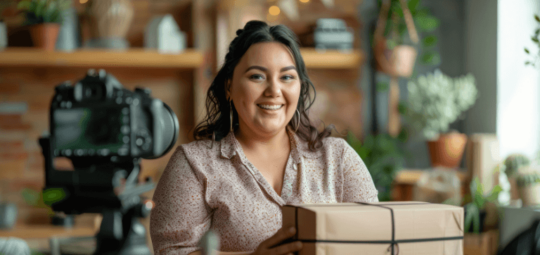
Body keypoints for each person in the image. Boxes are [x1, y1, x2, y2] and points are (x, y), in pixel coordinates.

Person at [150, 20, 378, 255]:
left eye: (287, 77)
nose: (274, 91)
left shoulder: (337, 158)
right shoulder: (194, 164)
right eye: (257, 76)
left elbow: (379, 240)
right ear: (229, 86)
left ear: (300, 87)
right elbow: (172, 251)